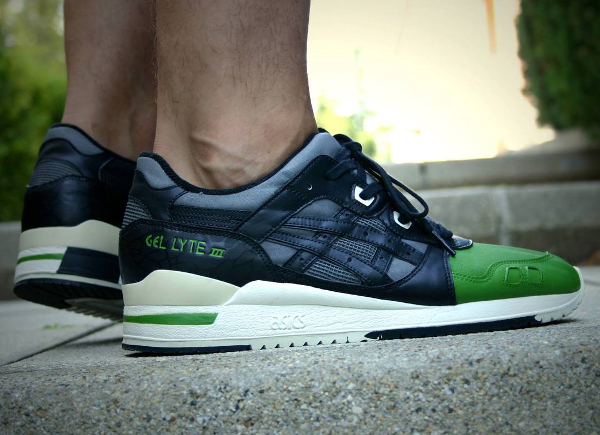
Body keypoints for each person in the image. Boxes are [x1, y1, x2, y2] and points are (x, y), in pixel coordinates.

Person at [14, 0, 583, 352]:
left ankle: (108, 150)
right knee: (234, 142)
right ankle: (237, 156)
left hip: (167, 216)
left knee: (130, 130)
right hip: (230, 202)